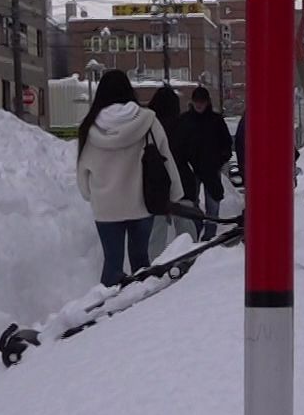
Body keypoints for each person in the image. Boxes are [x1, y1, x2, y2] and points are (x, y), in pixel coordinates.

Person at [76, 70, 184, 287]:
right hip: (141, 202)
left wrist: (90, 194)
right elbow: (166, 159)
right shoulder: (148, 121)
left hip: (106, 208)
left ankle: (107, 309)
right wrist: (175, 194)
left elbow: (83, 171)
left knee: (112, 263)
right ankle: (140, 308)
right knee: (140, 260)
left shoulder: (89, 127)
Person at [178, 86, 234, 239]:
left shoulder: (215, 120)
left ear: (207, 102)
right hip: (192, 169)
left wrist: (220, 160)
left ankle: (209, 235)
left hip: (210, 168)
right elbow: (179, 145)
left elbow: (227, 144)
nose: (199, 105)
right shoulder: (185, 121)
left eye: (201, 102)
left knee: (213, 204)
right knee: (193, 204)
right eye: (197, 101)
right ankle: (198, 230)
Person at [145, 87, 198, 250]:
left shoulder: (148, 128)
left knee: (156, 233)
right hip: (183, 183)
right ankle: (189, 262)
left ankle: (156, 267)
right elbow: (194, 154)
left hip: (156, 186)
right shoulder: (184, 125)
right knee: (186, 228)